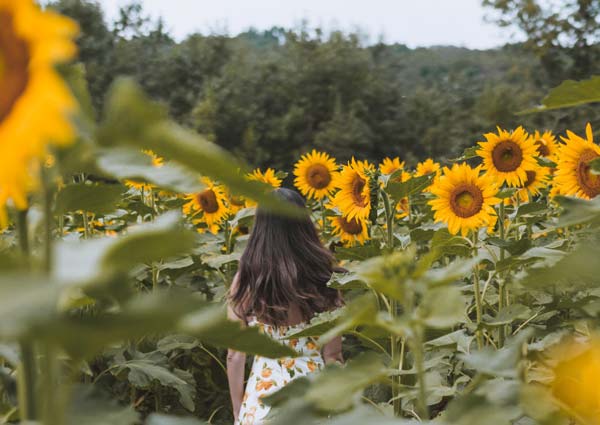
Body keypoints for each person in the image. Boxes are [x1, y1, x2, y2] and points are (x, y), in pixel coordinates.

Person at [226, 188, 344, 425]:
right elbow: (333, 355)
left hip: (263, 399)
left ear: (261, 227)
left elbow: (234, 356)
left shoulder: (248, 277)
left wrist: (239, 410)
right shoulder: (323, 275)